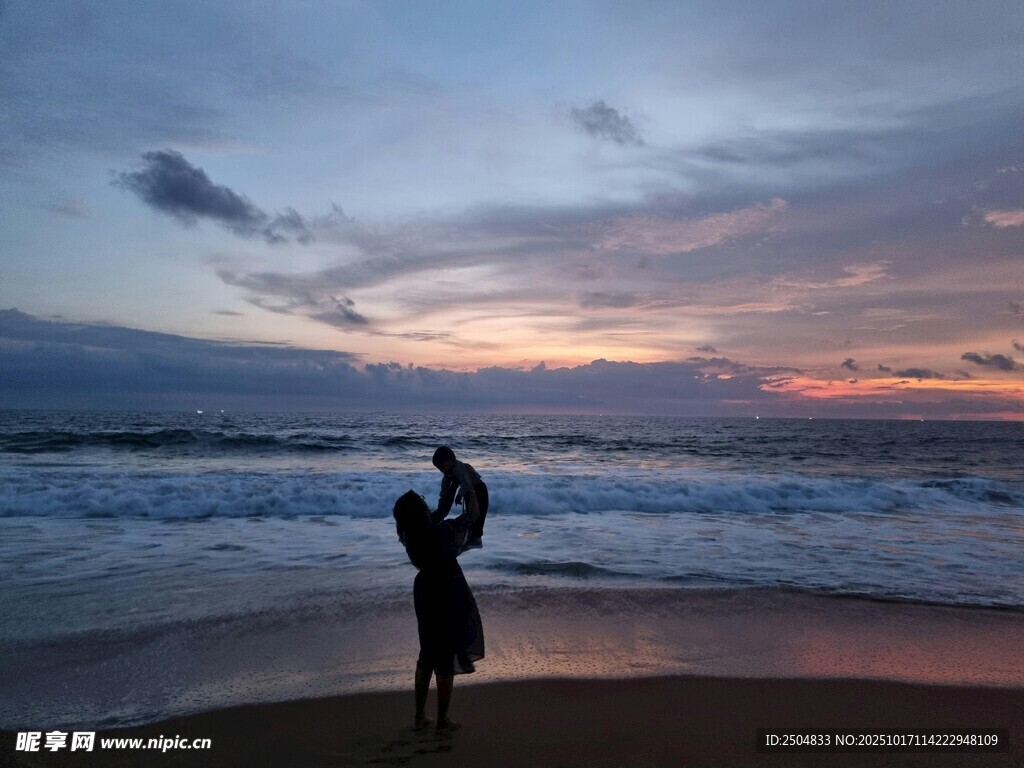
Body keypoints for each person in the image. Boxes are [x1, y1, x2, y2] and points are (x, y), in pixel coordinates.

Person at [393, 490, 484, 733]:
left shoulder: (411, 537)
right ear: (422, 512)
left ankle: (419, 717)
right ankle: (443, 721)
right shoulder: (442, 533)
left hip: (425, 591)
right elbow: (473, 515)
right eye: (423, 503)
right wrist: (469, 487)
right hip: (447, 590)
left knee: (427, 654)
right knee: (445, 657)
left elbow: (439, 513)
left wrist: (450, 491)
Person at [431, 446, 488, 548]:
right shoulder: (448, 471)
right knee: (469, 513)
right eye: (440, 468)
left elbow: (466, 483)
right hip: (468, 491)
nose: (442, 470)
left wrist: (459, 495)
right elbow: (445, 482)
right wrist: (443, 494)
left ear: (451, 461)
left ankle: (476, 538)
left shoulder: (459, 468)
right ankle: (470, 536)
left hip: (478, 488)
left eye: (443, 467)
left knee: (478, 514)